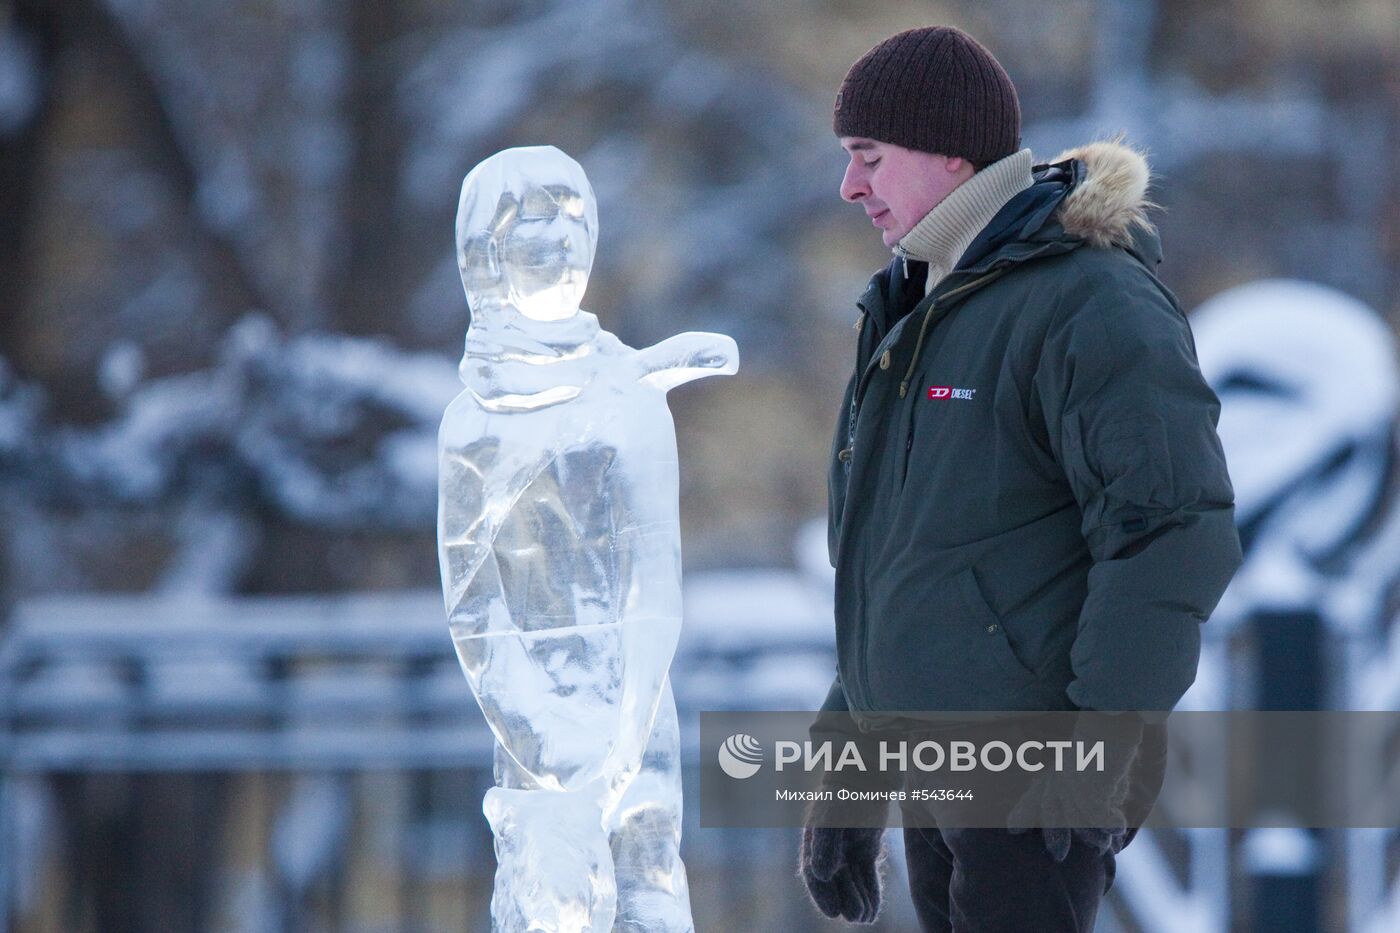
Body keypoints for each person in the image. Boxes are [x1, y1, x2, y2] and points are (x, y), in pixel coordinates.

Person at [798, 25, 1243, 931]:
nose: (852, 186)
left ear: (949, 152)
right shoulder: (914, 310)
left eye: (870, 157)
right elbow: (898, 566)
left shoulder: (1091, 302)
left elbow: (1170, 532)